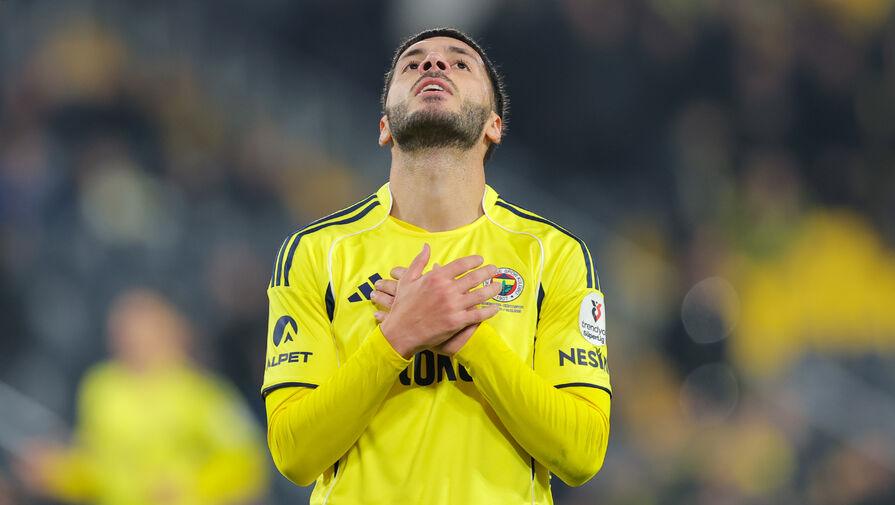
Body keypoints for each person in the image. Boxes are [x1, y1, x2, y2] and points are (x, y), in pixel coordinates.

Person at [263, 27, 611, 504]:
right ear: (384, 127)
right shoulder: (315, 252)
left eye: (459, 62)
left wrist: (467, 336)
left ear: (493, 125)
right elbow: (294, 455)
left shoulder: (554, 254)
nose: (432, 64)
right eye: (413, 63)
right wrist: (396, 338)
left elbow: (582, 454)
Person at [16, 288, 268, 505]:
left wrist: (192, 485)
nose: (132, 336)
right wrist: (57, 472)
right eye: (124, 327)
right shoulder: (101, 388)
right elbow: (97, 468)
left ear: (172, 330)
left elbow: (247, 461)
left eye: (142, 326)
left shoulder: (203, 393)